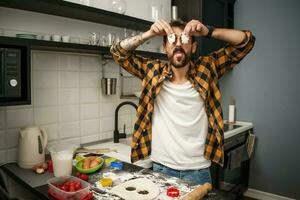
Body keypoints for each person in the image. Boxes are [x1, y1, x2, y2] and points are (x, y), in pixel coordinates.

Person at [110, 19, 255, 185]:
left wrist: (208, 31)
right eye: (172, 39)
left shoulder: (207, 68)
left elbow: (246, 42)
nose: (178, 44)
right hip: (161, 168)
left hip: (197, 170)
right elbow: (117, 52)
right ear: (165, 47)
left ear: (193, 47)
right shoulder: (153, 71)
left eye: (184, 38)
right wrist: (149, 34)